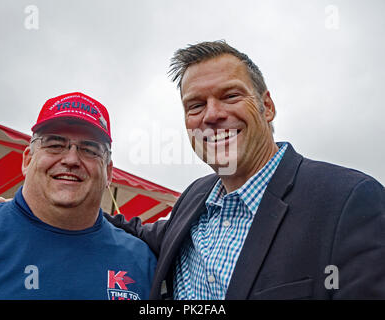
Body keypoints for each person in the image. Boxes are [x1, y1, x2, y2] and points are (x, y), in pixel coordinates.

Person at [105, 40, 385, 299]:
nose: (212, 115)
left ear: (267, 106)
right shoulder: (194, 198)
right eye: (196, 105)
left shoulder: (350, 200)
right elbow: (136, 231)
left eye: (230, 96)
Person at [0, 92, 156, 300]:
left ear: (108, 173)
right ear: (27, 160)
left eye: (90, 149)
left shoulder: (140, 260)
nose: (71, 159)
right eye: (55, 145)